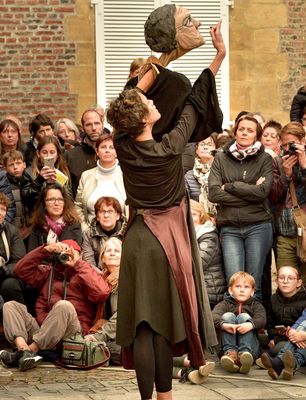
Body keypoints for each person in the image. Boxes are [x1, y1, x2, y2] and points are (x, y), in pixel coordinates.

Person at [106, 15, 225, 399]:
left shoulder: (122, 143)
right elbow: (196, 99)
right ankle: (165, 395)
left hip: (138, 238)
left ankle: (153, 399)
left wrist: (163, 58)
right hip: (166, 239)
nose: (151, 101)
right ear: (143, 116)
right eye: (147, 104)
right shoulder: (171, 144)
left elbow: (130, 94)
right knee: (159, 324)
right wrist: (218, 55)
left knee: (143, 325)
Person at [0, 240, 110, 371]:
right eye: (63, 253)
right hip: (43, 331)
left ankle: (30, 351)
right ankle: (23, 349)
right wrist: (46, 250)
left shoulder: (87, 272)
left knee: (64, 305)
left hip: (70, 334)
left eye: (71, 253)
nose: (67, 256)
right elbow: (20, 270)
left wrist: (78, 264)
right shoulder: (49, 272)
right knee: (11, 306)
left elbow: (101, 293)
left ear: (79, 255)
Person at [207, 115, 273, 302]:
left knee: (254, 284)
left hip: (258, 227)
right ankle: (233, 325)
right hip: (230, 228)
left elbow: (263, 193)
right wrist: (251, 193)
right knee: (234, 284)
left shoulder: (265, 159)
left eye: (250, 130)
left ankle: (253, 327)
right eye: (241, 129)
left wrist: (230, 186)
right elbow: (213, 193)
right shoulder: (220, 157)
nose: (244, 133)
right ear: (235, 132)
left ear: (257, 135)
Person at [269, 122, 306, 282]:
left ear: (302, 141)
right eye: (285, 144)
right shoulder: (277, 162)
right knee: (285, 280)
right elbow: (273, 197)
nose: (289, 148)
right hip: (285, 231)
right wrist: (285, 176)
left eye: (293, 144)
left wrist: (305, 166)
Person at [211, 272, 266, 374]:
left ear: (252, 291)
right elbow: (213, 317)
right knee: (227, 316)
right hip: (225, 349)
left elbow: (262, 319)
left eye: (246, 287)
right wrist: (224, 325)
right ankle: (230, 354)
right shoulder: (224, 304)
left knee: (244, 317)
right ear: (230, 290)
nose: (242, 290)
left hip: (251, 349)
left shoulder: (256, 305)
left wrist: (250, 325)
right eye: (238, 286)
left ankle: (244, 355)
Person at [74, 134, 126, 232]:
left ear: (117, 152)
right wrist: (85, 229)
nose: (107, 150)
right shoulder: (86, 176)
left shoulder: (126, 175)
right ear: (97, 152)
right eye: (103, 147)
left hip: (123, 233)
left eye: (111, 147)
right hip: (90, 234)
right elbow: (78, 206)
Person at [84, 238, 123, 365]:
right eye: (108, 251)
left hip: (130, 333)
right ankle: (182, 368)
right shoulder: (102, 281)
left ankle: (183, 362)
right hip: (114, 335)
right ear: (103, 258)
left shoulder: (126, 278)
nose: (112, 253)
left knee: (107, 348)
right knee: (104, 348)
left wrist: (98, 336)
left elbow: (123, 315)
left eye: (117, 251)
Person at [264, 266, 306, 357]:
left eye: (290, 278)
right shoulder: (273, 299)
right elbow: (270, 324)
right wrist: (272, 338)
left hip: (297, 339)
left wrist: (276, 340)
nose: (285, 281)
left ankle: (268, 357)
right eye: (281, 278)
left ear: (298, 283)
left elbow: (305, 327)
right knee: (258, 338)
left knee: (277, 349)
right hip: (278, 336)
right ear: (276, 281)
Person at [189, 200, 225, 308]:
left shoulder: (208, 236)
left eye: (194, 214)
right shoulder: (187, 235)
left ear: (201, 217)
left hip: (210, 292)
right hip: (199, 291)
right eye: (188, 214)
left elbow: (197, 263)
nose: (191, 217)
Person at [27, 183, 82, 251]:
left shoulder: (74, 225)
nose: (56, 203)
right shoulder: (38, 227)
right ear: (44, 204)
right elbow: (32, 255)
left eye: (60, 199)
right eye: (51, 200)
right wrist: (47, 249)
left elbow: (76, 253)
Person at [22, 135, 71, 209]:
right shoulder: (29, 172)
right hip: (37, 216)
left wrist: (57, 183)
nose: (48, 156)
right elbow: (26, 200)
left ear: (57, 155)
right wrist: (39, 180)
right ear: (38, 154)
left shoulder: (64, 171)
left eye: (52, 152)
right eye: (44, 152)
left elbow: (70, 200)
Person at [80, 197, 127, 269]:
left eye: (110, 211)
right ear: (97, 217)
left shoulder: (128, 233)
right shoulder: (89, 234)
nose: (106, 215)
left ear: (118, 216)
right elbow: (88, 264)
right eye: (102, 212)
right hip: (96, 276)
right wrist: (102, 278)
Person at [66, 108, 104, 194]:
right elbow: (67, 190)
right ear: (83, 127)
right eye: (88, 125)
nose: (94, 128)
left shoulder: (114, 152)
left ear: (102, 124)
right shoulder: (71, 156)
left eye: (97, 123)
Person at [0, 192, 26, 309]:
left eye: (3, 209)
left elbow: (19, 263)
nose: (0, 213)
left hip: (5, 275)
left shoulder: (12, 231)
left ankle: (20, 321)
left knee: (10, 285)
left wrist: (2, 268)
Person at [184, 134, 218, 217]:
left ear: (215, 149)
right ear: (196, 150)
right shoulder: (189, 176)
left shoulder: (221, 173)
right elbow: (186, 201)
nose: (205, 147)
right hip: (197, 219)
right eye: (202, 144)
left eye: (209, 145)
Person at [3, 150, 29, 236]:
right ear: (5, 168)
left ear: (24, 165)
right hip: (11, 231)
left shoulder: (30, 181)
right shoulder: (4, 186)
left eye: (18, 163)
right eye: (11, 164)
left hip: (30, 230)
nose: (15, 167)